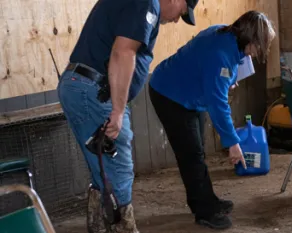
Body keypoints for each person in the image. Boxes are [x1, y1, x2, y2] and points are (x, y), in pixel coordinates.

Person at [56, 0, 199, 232]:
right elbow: (123, 52)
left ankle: (99, 226)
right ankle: (123, 227)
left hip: (82, 85)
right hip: (95, 91)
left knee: (101, 165)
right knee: (119, 168)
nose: (175, 20)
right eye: (181, 12)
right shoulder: (146, 3)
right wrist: (118, 111)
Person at [148, 10, 276, 230]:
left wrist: (227, 79)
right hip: (170, 95)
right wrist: (233, 143)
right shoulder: (221, 56)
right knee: (192, 155)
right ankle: (204, 211)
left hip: (189, 94)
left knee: (197, 151)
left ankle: (208, 199)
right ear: (250, 39)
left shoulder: (225, 34)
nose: (257, 53)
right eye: (259, 46)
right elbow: (218, 104)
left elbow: (216, 71)